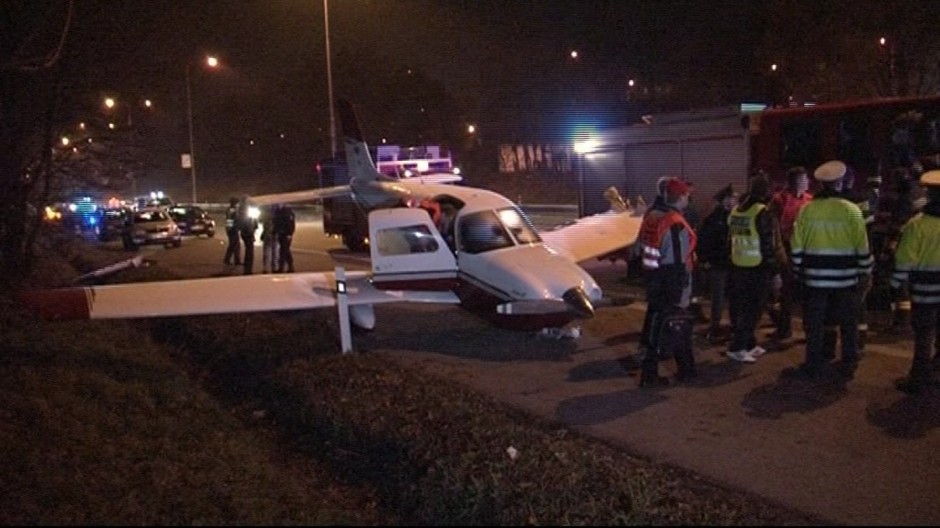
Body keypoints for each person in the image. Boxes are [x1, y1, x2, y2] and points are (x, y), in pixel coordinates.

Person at [788, 160, 873, 380]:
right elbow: (862, 248)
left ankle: (814, 363)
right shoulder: (852, 211)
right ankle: (849, 361)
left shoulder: (807, 210)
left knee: (815, 323)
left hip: (814, 280)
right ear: (839, 183)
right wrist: (865, 271)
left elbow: (796, 247)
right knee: (848, 322)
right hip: (845, 280)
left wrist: (798, 270)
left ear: (820, 184)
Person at [636, 177, 698, 387]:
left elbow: (640, 249)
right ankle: (683, 370)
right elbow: (675, 263)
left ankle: (654, 372)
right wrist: (679, 293)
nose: (688, 198)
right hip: (669, 283)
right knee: (678, 325)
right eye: (687, 195)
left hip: (653, 278)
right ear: (680, 197)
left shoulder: (652, 216)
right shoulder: (674, 223)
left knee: (656, 326)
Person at [725, 172, 785, 363]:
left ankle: (749, 344)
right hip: (757, 268)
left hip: (738, 266)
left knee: (743, 308)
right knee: (753, 311)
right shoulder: (762, 212)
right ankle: (737, 347)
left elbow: (730, 239)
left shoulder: (736, 211)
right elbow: (768, 245)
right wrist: (775, 271)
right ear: (766, 191)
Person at [891, 169, 940, 394]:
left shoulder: (917, 224)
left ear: (929, 194)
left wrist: (895, 283)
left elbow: (904, 259)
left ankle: (919, 379)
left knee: (924, 335)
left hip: (925, 289)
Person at [766, 166, 813, 340]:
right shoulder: (779, 200)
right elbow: (773, 228)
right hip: (787, 249)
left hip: (807, 250)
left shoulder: (810, 200)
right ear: (794, 181)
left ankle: (809, 331)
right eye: (803, 179)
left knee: (808, 293)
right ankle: (784, 329)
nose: (807, 182)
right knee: (787, 293)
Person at [695, 183, 738, 343]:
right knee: (718, 297)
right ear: (722, 201)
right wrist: (705, 260)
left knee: (734, 297)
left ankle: (733, 325)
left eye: (734, 199)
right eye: (730, 199)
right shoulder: (714, 218)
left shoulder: (738, 216)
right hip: (719, 264)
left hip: (734, 263)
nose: (732, 202)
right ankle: (715, 326)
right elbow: (703, 240)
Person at [238, 199, 258, 275]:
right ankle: (248, 269)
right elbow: (252, 222)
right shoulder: (247, 210)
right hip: (248, 233)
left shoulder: (241, 210)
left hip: (245, 232)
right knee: (249, 251)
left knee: (248, 250)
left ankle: (247, 268)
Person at [273, 203, 296, 273]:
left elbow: (291, 224)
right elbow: (276, 223)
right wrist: (275, 232)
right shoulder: (277, 211)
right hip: (280, 233)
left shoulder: (288, 211)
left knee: (283, 251)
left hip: (286, 234)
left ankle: (281, 268)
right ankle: (290, 266)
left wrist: (290, 233)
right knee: (286, 250)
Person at [223, 196, 242, 266]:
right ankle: (229, 260)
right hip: (232, 230)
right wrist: (230, 228)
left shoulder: (232, 209)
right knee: (233, 245)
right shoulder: (232, 210)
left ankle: (235, 260)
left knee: (235, 245)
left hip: (233, 229)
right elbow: (229, 219)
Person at [260, 205, 279, 274]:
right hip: (273, 236)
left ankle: (266, 268)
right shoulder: (276, 216)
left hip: (269, 235)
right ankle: (273, 267)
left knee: (267, 252)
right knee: (274, 253)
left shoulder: (266, 214)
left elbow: (262, 222)